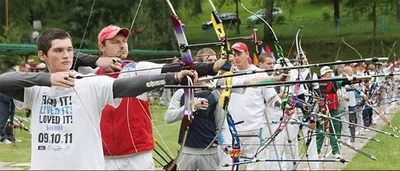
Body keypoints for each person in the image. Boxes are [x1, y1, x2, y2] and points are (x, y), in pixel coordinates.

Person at [0, 28, 201, 170]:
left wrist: (172, 77)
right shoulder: (34, 88)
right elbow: (4, 81)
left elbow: (129, 85)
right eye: (58, 50)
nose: (66, 55)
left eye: (69, 50)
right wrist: (48, 79)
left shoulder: (90, 83)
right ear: (42, 55)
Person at [94, 25, 227, 170]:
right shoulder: (90, 74)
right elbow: (73, 58)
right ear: (101, 46)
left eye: (124, 41)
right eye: (115, 42)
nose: (122, 46)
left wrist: (212, 67)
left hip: (138, 156)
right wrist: (95, 61)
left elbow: (170, 69)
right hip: (103, 157)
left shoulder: (137, 68)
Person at [218, 42, 285, 170]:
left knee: (256, 167)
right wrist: (276, 79)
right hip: (232, 132)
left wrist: (282, 105)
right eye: (234, 55)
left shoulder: (259, 73)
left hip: (255, 129)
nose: (236, 57)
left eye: (239, 54)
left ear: (247, 54)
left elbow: (272, 99)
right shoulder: (228, 75)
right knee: (229, 167)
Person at [316, 66, 341, 159]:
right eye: (328, 73)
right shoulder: (318, 82)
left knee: (335, 130)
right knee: (320, 130)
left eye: (330, 73)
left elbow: (345, 82)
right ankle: (317, 151)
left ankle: (336, 151)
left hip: (334, 108)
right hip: (323, 109)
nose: (330, 74)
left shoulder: (334, 81)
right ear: (323, 74)